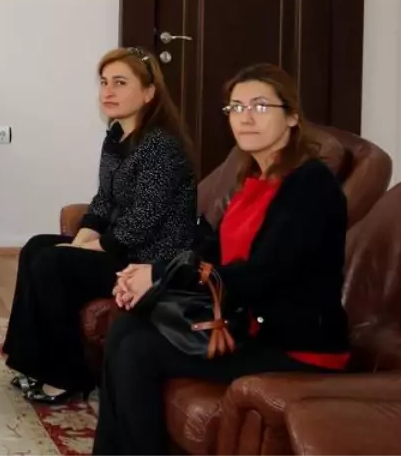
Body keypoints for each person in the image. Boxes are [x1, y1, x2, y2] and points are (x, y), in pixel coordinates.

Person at [95, 64, 348, 456]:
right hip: (246, 323)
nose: (245, 117)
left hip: (295, 345)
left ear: (292, 116)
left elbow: (264, 275)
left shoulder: (310, 185)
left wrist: (161, 275)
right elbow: (213, 249)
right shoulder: (255, 178)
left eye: (260, 106)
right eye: (236, 108)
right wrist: (147, 274)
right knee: (127, 326)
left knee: (138, 350)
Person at [3, 47, 196, 404]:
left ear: (149, 92)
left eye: (120, 83)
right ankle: (30, 361)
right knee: (37, 247)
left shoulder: (161, 146)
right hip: (123, 246)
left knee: (53, 263)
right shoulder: (116, 136)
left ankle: (67, 376)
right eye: (104, 82)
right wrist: (80, 241)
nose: (108, 91)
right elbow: (103, 201)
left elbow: (140, 224)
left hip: (151, 261)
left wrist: (85, 250)